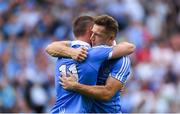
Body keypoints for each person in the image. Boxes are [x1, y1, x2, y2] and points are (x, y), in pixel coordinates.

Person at [46, 15, 135, 113]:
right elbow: (51, 47)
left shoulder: (121, 60)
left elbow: (107, 93)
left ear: (110, 38)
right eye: (92, 33)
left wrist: (76, 86)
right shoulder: (87, 51)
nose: (92, 38)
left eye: (97, 35)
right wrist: (71, 52)